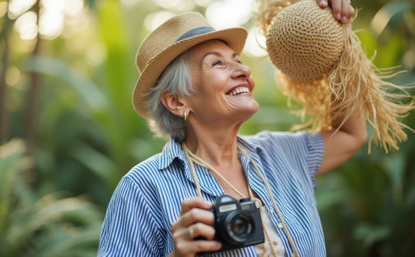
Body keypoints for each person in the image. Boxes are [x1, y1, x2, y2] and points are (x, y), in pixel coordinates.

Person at [97, 0, 363, 256]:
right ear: (176, 100)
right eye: (217, 63)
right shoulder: (143, 188)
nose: (244, 70)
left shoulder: (281, 153)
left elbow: (351, 134)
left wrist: (338, 32)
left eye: (237, 60)